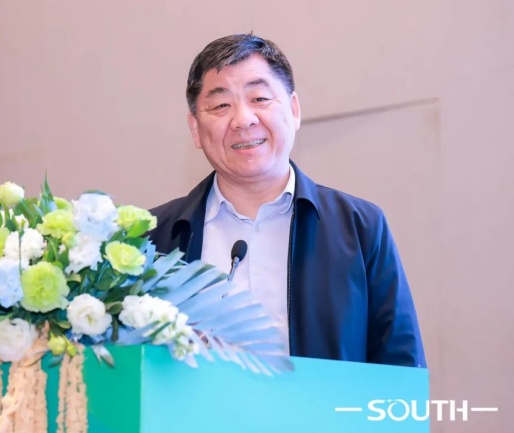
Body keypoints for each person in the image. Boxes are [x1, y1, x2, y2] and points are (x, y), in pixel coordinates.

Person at [148, 34, 426, 367]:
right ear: (195, 128)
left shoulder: (360, 227)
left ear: (294, 110)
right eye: (221, 105)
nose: (243, 119)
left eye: (260, 98)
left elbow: (400, 367)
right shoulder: (152, 239)